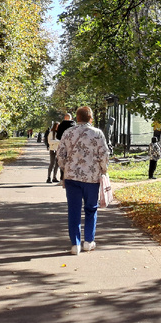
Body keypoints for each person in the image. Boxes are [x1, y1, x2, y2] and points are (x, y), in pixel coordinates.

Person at [55, 106, 109, 255]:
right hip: (91, 178)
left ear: (77, 118)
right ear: (91, 118)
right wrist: (103, 170)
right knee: (91, 209)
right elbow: (104, 154)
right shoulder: (97, 133)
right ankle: (89, 241)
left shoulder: (68, 132)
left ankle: (75, 245)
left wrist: (66, 168)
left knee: (74, 210)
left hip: (72, 177)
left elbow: (60, 154)